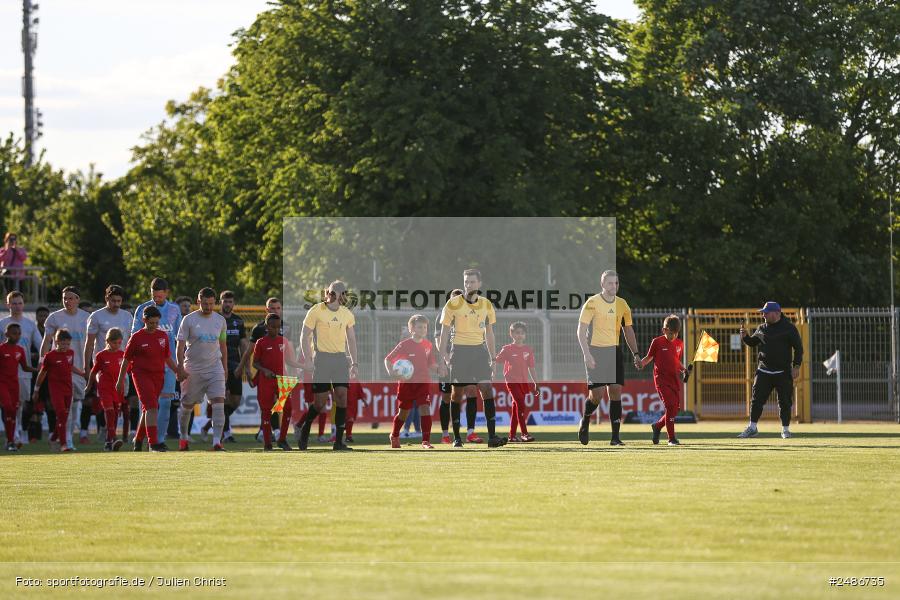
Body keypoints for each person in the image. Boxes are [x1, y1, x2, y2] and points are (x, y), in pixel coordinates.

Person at [437, 269, 506, 448]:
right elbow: (444, 332)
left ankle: (492, 437)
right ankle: (457, 438)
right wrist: (442, 358)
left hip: (480, 352)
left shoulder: (486, 304)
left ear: (480, 284)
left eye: (472, 282)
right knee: (457, 394)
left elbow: (489, 333)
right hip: (459, 352)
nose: (469, 285)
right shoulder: (453, 304)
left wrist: (493, 358)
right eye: (466, 282)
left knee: (487, 389)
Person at [577, 270, 641, 447]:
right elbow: (581, 331)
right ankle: (585, 419)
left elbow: (628, 330)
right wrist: (586, 354)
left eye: (617, 283)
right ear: (603, 284)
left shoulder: (622, 305)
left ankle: (615, 438)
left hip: (614, 352)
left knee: (615, 391)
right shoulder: (592, 303)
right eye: (611, 283)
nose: (615, 286)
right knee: (596, 396)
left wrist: (636, 354)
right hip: (595, 352)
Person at [299, 280, 359, 451]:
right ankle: (305, 429)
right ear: (328, 293)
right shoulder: (316, 310)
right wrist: (308, 359)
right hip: (322, 359)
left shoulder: (347, 313)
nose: (335, 296)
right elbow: (304, 336)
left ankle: (338, 442)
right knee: (319, 403)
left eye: (339, 293)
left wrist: (354, 363)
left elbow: (352, 340)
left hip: (340, 359)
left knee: (341, 397)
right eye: (332, 292)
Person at [118, 305, 183, 452]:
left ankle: (138, 441)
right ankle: (154, 443)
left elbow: (167, 357)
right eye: (150, 323)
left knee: (148, 409)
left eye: (156, 323)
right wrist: (120, 380)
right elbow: (126, 359)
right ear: (144, 320)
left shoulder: (163, 336)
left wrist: (178, 371)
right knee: (153, 407)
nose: (154, 326)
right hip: (141, 376)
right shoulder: (136, 337)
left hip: (158, 376)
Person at [738, 301, 804, 439]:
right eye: (763, 312)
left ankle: (785, 430)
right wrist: (745, 337)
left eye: (766, 312)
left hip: (783, 372)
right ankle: (752, 427)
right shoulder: (762, 328)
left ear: (777, 313)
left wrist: (796, 366)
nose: (763, 315)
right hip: (764, 371)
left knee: (785, 402)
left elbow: (798, 348)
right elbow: (752, 343)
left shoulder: (789, 328)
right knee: (756, 400)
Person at [131, 278, 182, 445]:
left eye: (160, 296)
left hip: (167, 364)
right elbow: (135, 337)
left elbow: (180, 337)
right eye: (154, 296)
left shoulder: (175, 310)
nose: (157, 299)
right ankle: (144, 438)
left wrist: (179, 365)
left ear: (166, 293)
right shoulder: (142, 309)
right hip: (145, 366)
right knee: (146, 406)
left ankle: (158, 440)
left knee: (165, 403)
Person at [176, 288, 228, 451]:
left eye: (211, 304)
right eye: (205, 303)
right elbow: (180, 345)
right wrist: (179, 366)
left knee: (219, 402)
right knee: (187, 405)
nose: (208, 307)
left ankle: (217, 442)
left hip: (215, 368)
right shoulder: (188, 320)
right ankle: (183, 437)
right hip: (193, 369)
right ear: (198, 302)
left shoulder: (220, 321)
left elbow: (223, 345)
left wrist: (225, 368)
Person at [40, 286, 90, 450]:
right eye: (65, 298)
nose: (67, 301)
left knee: (75, 405)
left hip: (79, 368)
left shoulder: (87, 318)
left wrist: (91, 365)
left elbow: (92, 343)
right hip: (60, 370)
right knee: (64, 409)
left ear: (77, 299)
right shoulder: (54, 318)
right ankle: (66, 440)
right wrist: (42, 361)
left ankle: (57, 436)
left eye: (71, 298)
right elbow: (47, 341)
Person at [239, 297, 293, 442]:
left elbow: (289, 354)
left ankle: (265, 431)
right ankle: (274, 431)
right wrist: (243, 369)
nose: (275, 310)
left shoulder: (287, 327)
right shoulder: (259, 329)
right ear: (266, 310)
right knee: (270, 403)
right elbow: (249, 351)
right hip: (265, 374)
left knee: (279, 403)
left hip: (281, 373)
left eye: (278, 308)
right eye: (272, 308)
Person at [84, 285, 133, 445]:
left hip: (123, 367)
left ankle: (111, 432)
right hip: (103, 367)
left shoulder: (127, 316)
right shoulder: (96, 316)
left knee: (119, 406)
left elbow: (131, 343)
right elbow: (89, 343)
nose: (116, 304)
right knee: (107, 404)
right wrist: (87, 366)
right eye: (113, 301)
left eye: (119, 301)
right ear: (107, 299)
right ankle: (108, 433)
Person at [385, 314, 437, 449]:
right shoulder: (404, 345)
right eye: (420, 327)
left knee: (425, 409)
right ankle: (394, 435)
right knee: (403, 413)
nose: (423, 329)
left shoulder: (428, 345)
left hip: (423, 383)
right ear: (412, 329)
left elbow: (431, 364)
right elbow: (388, 359)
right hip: (406, 384)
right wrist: (391, 372)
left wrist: (441, 368)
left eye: (425, 327)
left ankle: (426, 441)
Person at [253, 313, 302, 450]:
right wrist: (265, 370)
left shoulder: (284, 341)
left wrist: (297, 373)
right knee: (266, 411)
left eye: (278, 327)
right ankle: (267, 443)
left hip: (283, 380)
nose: (276, 329)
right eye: (273, 327)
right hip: (266, 381)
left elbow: (290, 361)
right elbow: (255, 363)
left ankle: (282, 439)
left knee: (288, 409)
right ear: (267, 326)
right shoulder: (260, 342)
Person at [0, 291, 42, 445]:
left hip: (24, 372)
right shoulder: (2, 324)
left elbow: (40, 344)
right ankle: (13, 434)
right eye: (14, 303)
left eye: (19, 303)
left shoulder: (30, 325)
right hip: (4, 374)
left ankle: (18, 430)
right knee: (7, 405)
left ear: (23, 305)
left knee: (20, 404)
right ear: (8, 304)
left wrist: (42, 362)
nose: (17, 306)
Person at [637, 315, 686, 446]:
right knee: (670, 406)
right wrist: (642, 363)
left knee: (675, 410)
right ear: (664, 330)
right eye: (670, 333)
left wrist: (683, 369)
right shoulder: (657, 342)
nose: (673, 336)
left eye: (675, 334)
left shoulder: (679, 344)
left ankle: (657, 426)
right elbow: (649, 357)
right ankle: (671, 438)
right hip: (661, 380)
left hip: (674, 380)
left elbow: (676, 361)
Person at [33, 329, 85, 452]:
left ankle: (53, 438)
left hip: (68, 388)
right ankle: (63, 444)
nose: (65, 346)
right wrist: (36, 389)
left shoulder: (70, 353)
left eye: (67, 344)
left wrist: (81, 373)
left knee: (64, 417)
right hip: (56, 390)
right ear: (56, 342)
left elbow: (70, 366)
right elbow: (42, 373)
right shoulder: (49, 356)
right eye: (63, 343)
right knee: (61, 414)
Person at [495, 321, 538, 443]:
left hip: (523, 382)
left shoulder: (528, 350)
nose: (520, 335)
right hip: (512, 382)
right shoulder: (507, 349)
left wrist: (536, 383)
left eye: (522, 333)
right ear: (511, 334)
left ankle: (512, 436)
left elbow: (532, 368)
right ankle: (525, 434)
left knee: (516, 408)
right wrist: (491, 358)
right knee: (521, 404)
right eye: (517, 333)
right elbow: (496, 360)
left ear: (525, 335)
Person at [85, 328, 126, 451]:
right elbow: (93, 372)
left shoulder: (122, 354)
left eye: (119, 343)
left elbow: (127, 371)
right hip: (104, 388)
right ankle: (114, 438)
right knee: (109, 412)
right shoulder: (101, 355)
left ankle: (108, 443)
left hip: (117, 389)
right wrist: (89, 386)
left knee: (114, 417)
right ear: (107, 341)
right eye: (115, 343)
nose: (117, 345)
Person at [1, 323, 37, 450]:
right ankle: (10, 440)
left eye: (18, 333)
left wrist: (38, 370)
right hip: (2, 384)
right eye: (14, 333)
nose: (17, 336)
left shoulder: (20, 350)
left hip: (14, 385)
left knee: (13, 412)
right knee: (8, 408)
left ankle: (10, 441)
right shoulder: (1, 349)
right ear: (6, 334)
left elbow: (25, 367)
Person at [437, 289, 463, 444]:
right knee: (446, 397)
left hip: (461, 363)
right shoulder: (443, 316)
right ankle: (445, 434)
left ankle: (464, 433)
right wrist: (445, 360)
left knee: (460, 396)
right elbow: (438, 340)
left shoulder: (465, 316)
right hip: (447, 364)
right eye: (454, 298)